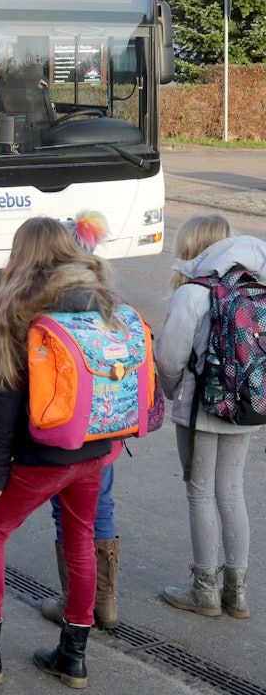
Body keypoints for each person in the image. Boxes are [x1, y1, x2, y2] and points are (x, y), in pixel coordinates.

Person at [0, 216, 119, 690]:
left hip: (44, 452)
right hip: (95, 444)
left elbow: (3, 401)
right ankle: (73, 656)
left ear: (22, 253)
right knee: (80, 536)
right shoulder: (99, 295)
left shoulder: (18, 308)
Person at [155, 215, 266, 619]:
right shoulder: (256, 287)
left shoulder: (194, 293)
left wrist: (171, 395)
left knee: (200, 492)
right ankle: (236, 593)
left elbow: (169, 360)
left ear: (193, 247)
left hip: (202, 407)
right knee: (232, 490)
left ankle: (205, 589)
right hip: (247, 405)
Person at [40, 211, 123, 630]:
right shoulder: (112, 301)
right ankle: (105, 604)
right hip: (110, 431)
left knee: (67, 514)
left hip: (67, 434)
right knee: (102, 507)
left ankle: (75, 601)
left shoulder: (53, 305)